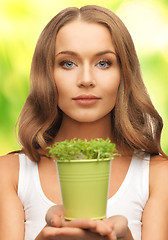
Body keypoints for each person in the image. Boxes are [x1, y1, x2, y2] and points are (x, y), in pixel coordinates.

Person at [0, 5, 168, 240]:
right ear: (47, 75)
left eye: (103, 63)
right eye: (68, 63)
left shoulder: (157, 176)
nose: (86, 80)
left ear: (124, 74)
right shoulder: (10, 174)